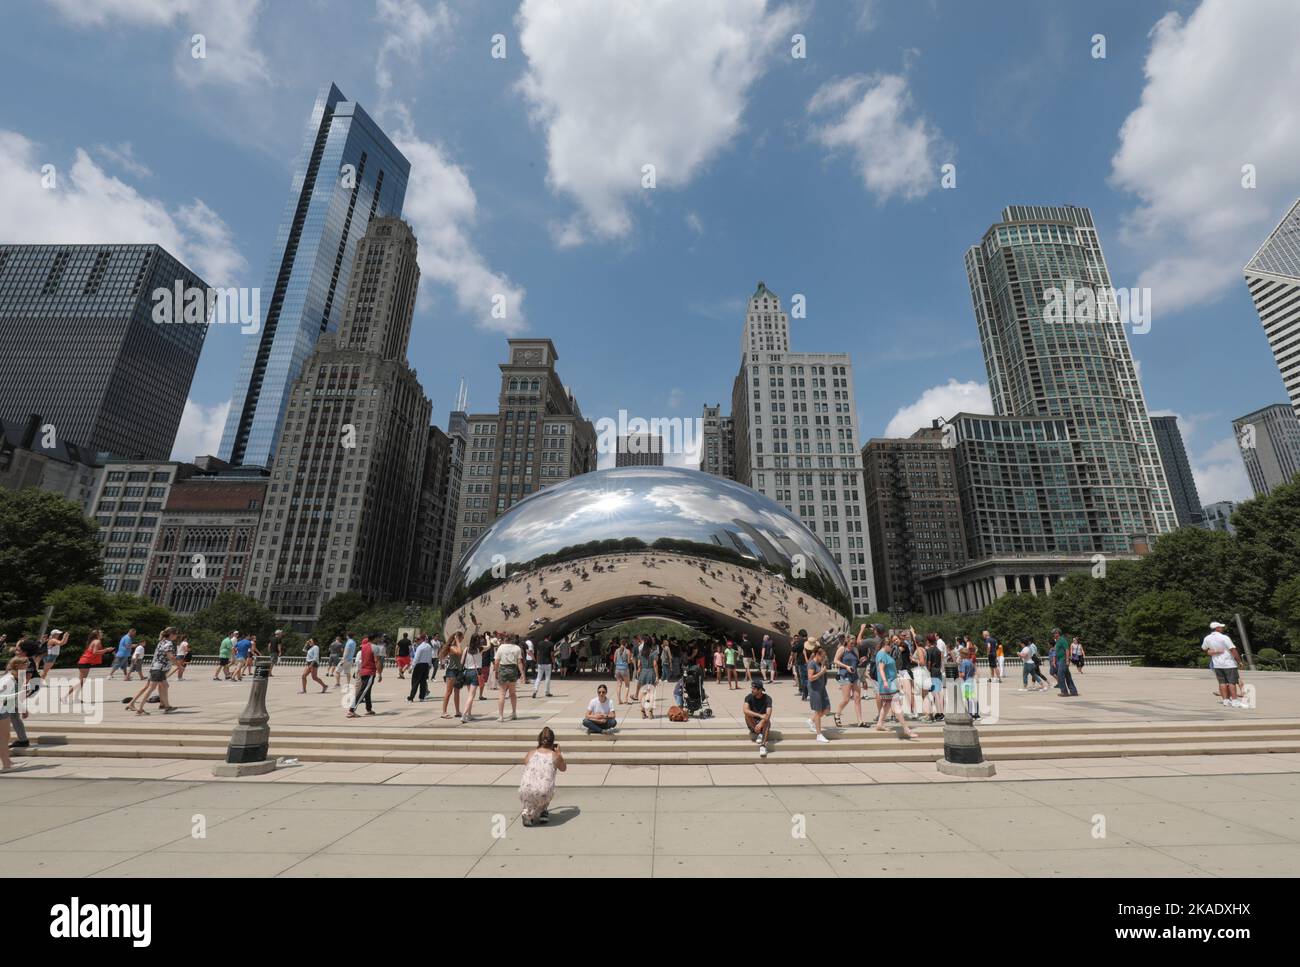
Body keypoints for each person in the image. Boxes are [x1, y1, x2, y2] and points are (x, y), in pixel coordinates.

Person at [519, 727, 566, 826]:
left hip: (525, 791)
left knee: (533, 782)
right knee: (546, 784)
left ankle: (527, 812)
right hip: (544, 793)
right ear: (553, 742)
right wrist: (559, 754)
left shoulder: (531, 753)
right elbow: (563, 768)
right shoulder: (554, 755)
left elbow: (525, 762)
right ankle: (542, 811)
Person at [873, 637, 918, 738]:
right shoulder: (882, 654)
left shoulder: (884, 654)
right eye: (891, 646)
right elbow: (881, 669)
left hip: (890, 683)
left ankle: (880, 724)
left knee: (887, 705)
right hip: (888, 684)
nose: (892, 648)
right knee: (897, 705)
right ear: (886, 645)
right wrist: (885, 681)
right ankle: (907, 729)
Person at [1202, 622, 1245, 708]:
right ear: (1217, 628)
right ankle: (1235, 701)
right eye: (1221, 627)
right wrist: (1239, 661)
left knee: (1222, 683)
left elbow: (1204, 649)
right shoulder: (1224, 637)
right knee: (1232, 683)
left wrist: (1213, 652)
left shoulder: (1207, 638)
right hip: (1229, 663)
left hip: (1217, 664)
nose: (1222, 628)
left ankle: (1225, 701)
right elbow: (1233, 650)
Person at [0, 657, 26, 771]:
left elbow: (15, 697)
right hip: (2, 710)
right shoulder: (9, 679)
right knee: (3, 738)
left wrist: (23, 708)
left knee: (5, 737)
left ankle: (8, 762)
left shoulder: (16, 678)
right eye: (26, 664)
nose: (28, 666)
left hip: (4, 709)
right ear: (18, 666)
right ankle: (6, 765)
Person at [832, 633, 863, 727]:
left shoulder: (855, 650)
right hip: (845, 675)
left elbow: (856, 662)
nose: (853, 644)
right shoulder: (842, 649)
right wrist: (846, 667)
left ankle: (860, 721)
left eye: (854, 643)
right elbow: (835, 660)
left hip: (855, 676)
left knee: (857, 698)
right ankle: (837, 714)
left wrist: (860, 661)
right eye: (851, 643)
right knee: (846, 699)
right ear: (847, 641)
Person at [805, 642, 831, 744]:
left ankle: (811, 721)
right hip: (814, 689)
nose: (823, 658)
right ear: (817, 655)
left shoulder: (820, 663)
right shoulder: (812, 663)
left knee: (827, 709)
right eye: (822, 656)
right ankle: (819, 734)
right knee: (818, 710)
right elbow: (810, 678)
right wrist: (821, 672)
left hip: (821, 688)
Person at [73, 629, 109, 700]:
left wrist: (106, 650)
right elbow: (95, 652)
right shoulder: (97, 641)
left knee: (81, 681)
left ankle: (76, 697)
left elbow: (95, 652)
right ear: (97, 635)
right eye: (101, 633)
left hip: (83, 661)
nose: (102, 634)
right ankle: (65, 696)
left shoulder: (93, 641)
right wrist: (106, 650)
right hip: (85, 662)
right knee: (81, 681)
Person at [495, 635, 524, 722]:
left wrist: (496, 671)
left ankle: (501, 716)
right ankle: (514, 713)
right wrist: (522, 673)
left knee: (502, 694)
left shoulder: (501, 647)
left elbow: (496, 661)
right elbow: (519, 662)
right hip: (513, 670)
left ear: (505, 640)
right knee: (513, 693)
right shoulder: (517, 648)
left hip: (503, 670)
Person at [347, 636, 378, 717]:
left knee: (367, 691)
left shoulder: (362, 650)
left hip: (362, 671)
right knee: (363, 690)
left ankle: (369, 709)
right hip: (368, 672)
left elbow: (358, 662)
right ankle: (351, 710)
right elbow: (375, 660)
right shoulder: (369, 649)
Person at [743, 679, 773, 757]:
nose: (752, 690)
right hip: (752, 722)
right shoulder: (749, 697)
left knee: (767, 720)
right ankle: (759, 733)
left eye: (754, 688)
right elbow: (745, 710)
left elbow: (768, 714)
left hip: (763, 723)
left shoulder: (767, 698)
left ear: (760, 690)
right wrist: (759, 716)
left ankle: (763, 746)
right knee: (747, 715)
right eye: (752, 688)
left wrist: (761, 722)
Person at [460, 634, 485, 723]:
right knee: (471, 696)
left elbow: (461, 662)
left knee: (470, 695)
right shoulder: (480, 649)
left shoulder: (466, 649)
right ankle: (464, 714)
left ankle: (469, 714)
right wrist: (488, 639)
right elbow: (489, 645)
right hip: (475, 672)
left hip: (467, 673)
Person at [440, 632, 464, 718]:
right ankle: (444, 712)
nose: (462, 639)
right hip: (451, 671)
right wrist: (457, 640)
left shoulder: (456, 647)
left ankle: (457, 711)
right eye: (461, 638)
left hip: (458, 671)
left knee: (457, 692)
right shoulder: (452, 647)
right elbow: (460, 653)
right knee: (449, 692)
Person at [408, 635, 434, 702]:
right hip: (426, 666)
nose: (416, 641)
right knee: (423, 682)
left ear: (422, 639)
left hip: (419, 665)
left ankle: (411, 697)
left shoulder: (420, 647)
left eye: (417, 640)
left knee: (415, 682)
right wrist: (430, 665)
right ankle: (422, 697)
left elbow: (416, 658)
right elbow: (430, 656)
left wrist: (411, 667)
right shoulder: (429, 646)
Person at [1053, 628, 1078, 697]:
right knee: (1067, 676)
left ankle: (1064, 692)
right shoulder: (1057, 641)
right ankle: (1074, 691)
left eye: (1055, 633)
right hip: (1060, 660)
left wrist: (1067, 659)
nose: (1053, 634)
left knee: (1060, 676)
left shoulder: (1062, 640)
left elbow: (1067, 650)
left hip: (1063, 660)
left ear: (1058, 633)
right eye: (1053, 633)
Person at [959, 646, 980, 719]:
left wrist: (958, 674)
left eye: (960, 654)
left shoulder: (963, 663)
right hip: (971, 681)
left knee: (968, 698)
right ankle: (977, 714)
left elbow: (963, 674)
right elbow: (974, 672)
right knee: (974, 697)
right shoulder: (971, 662)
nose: (959, 656)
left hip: (966, 682)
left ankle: (970, 713)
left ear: (963, 655)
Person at [613, 638, 633, 704]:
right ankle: (626, 699)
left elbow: (614, 661)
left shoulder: (616, 651)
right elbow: (629, 661)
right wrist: (631, 659)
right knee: (627, 685)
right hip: (625, 669)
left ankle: (619, 700)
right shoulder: (627, 651)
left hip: (617, 669)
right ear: (626, 644)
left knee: (619, 685)